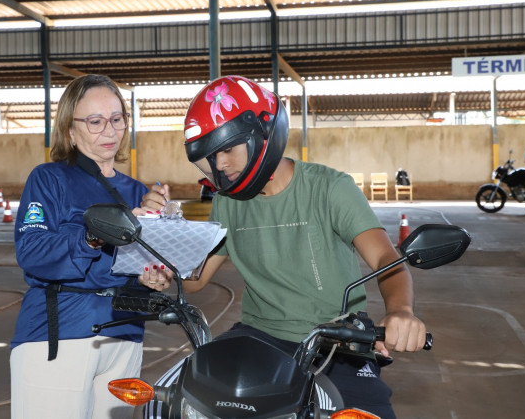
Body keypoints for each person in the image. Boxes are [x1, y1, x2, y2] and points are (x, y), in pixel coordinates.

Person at [146, 75, 426, 419]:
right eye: (211, 157)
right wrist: (164, 271)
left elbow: (386, 258)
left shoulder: (330, 188)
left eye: (227, 150)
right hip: (259, 335)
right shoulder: (228, 201)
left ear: (262, 135)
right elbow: (198, 277)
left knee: (368, 411)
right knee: (176, 399)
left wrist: (402, 311)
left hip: (335, 337)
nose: (219, 165)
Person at [10, 74, 171, 419]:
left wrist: (153, 273)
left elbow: (132, 267)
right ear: (70, 130)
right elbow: (32, 252)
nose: (110, 131)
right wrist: (94, 235)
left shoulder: (136, 191)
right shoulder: (49, 179)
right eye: (95, 122)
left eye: (117, 119)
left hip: (124, 337)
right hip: (61, 336)